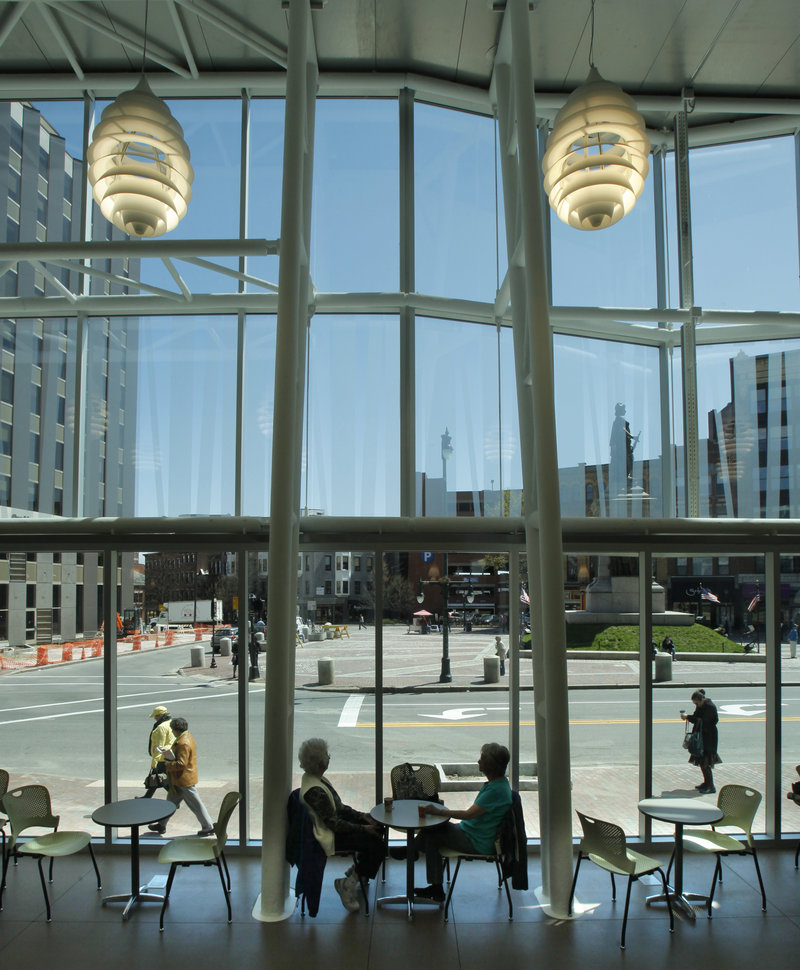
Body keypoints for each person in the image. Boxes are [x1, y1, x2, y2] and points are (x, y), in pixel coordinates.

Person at [395, 742, 512, 902]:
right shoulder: (499, 785)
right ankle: (416, 857)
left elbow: (468, 814)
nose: (478, 761)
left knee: (433, 831)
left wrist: (440, 812)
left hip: (476, 841)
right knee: (433, 831)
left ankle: (412, 852)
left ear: (491, 765)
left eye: (482, 759)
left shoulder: (496, 791)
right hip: (472, 833)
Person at [298, 737, 385, 913]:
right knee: (377, 845)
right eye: (327, 755)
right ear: (321, 762)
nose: (329, 757)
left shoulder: (316, 779)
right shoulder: (315, 791)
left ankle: (357, 870)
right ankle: (348, 884)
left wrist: (363, 817)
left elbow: (339, 808)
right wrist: (363, 828)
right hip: (329, 835)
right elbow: (334, 824)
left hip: (335, 826)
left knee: (378, 828)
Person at [149, 715, 215, 836]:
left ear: (176, 729)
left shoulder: (182, 743)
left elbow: (181, 763)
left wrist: (168, 763)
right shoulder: (186, 737)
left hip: (183, 780)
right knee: (170, 803)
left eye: (173, 730)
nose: (172, 732)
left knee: (196, 804)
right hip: (180, 780)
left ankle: (208, 826)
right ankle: (161, 825)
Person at [681, 689, 721, 794]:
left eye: (696, 703)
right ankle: (706, 783)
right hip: (702, 736)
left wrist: (688, 717)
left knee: (705, 762)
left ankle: (711, 786)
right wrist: (688, 717)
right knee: (702, 762)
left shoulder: (710, 707)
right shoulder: (701, 706)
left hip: (708, 738)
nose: (696, 705)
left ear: (701, 700)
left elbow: (704, 721)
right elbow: (696, 717)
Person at [141, 705, 174, 798]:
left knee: (161, 780)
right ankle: (147, 796)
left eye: (155, 716)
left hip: (161, 758)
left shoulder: (161, 727)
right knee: (157, 778)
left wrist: (154, 763)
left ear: (160, 715)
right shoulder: (170, 723)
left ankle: (176, 798)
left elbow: (159, 747)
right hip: (168, 756)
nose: (154, 718)